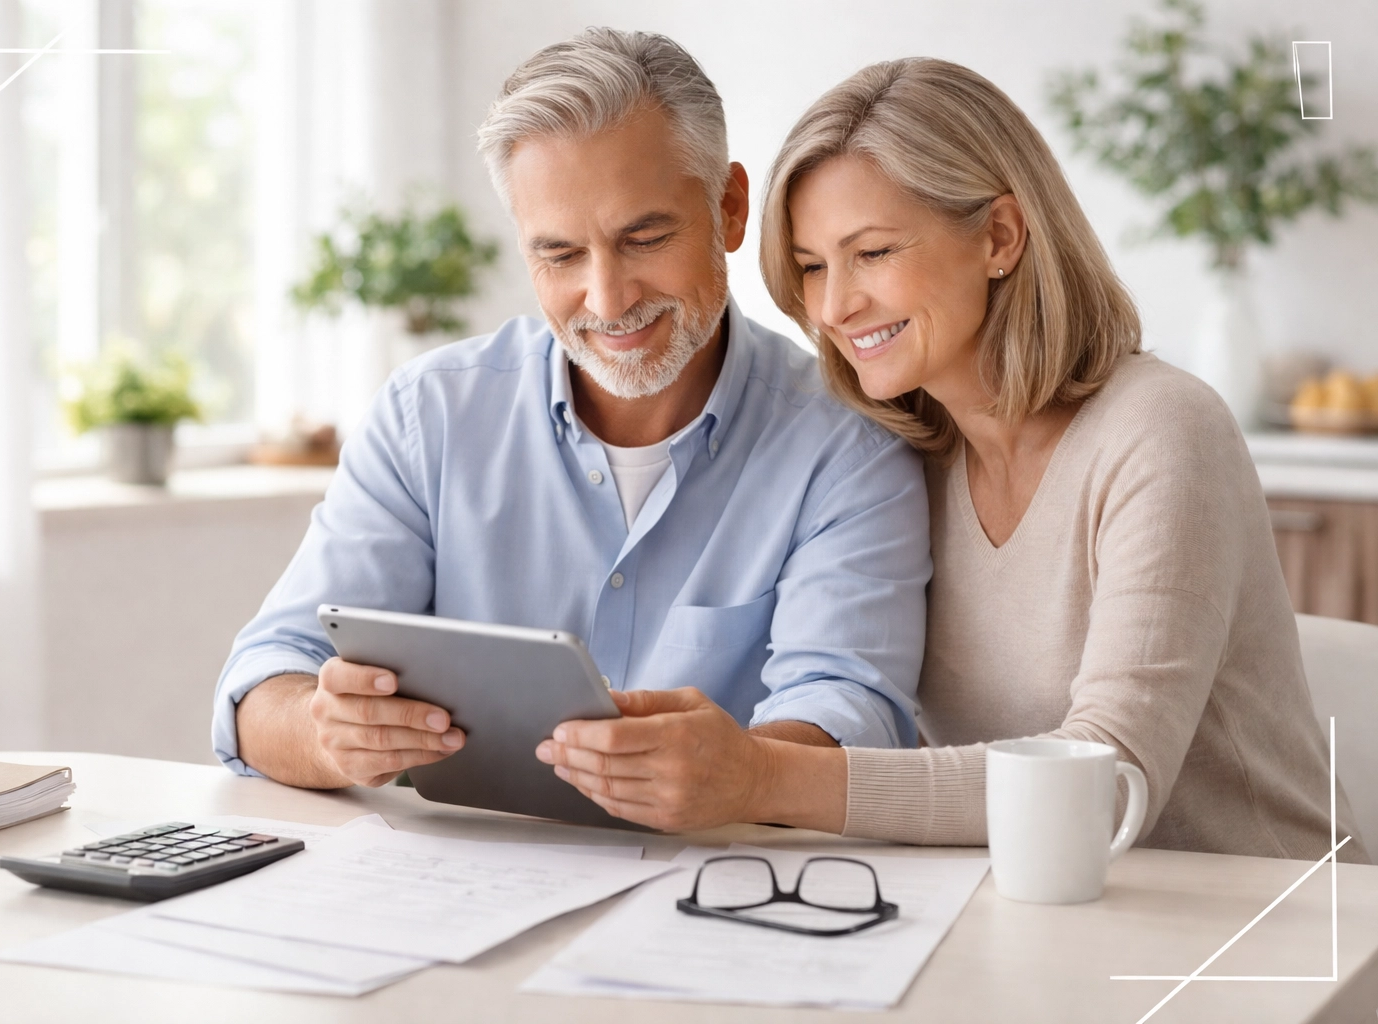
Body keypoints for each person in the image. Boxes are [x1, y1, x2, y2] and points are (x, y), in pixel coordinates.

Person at [214, 29, 933, 832]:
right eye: (559, 255)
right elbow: (260, 687)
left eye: (645, 239)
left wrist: (743, 775)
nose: (609, 298)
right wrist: (326, 735)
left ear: (729, 209)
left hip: (721, 881)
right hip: (466, 882)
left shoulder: (848, 445)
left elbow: (853, 715)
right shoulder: (429, 417)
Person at [755, 56, 1368, 861]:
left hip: (1262, 914)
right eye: (811, 267)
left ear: (1000, 237)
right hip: (1046, 909)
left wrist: (764, 779)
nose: (834, 306)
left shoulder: (1162, 430)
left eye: (872, 253)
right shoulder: (892, 465)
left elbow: (1107, 782)